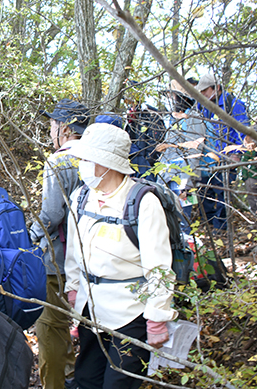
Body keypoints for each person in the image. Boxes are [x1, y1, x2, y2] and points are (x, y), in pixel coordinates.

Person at [64, 123, 178, 389]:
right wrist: (73, 289)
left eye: (86, 159)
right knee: (85, 380)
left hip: (130, 313)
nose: (81, 165)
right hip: (90, 311)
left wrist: (157, 317)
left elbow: (159, 266)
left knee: (118, 384)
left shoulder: (142, 202)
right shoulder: (81, 197)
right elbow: (73, 251)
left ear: (106, 163)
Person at [29, 99, 89, 389]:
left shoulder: (59, 160)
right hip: (94, 258)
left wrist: (30, 235)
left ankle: (56, 384)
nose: (50, 131)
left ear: (65, 128)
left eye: (53, 125)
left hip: (59, 258)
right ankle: (73, 377)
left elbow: (51, 215)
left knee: (51, 326)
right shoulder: (97, 156)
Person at [195, 72, 249, 230]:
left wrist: (236, 154)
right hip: (208, 157)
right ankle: (209, 226)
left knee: (223, 194)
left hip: (227, 157)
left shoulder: (234, 104)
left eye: (205, 90)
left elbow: (242, 130)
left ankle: (221, 229)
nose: (202, 94)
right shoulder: (202, 106)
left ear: (216, 88)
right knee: (205, 191)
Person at [157, 79, 207, 234]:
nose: (171, 100)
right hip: (169, 178)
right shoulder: (172, 120)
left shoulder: (193, 118)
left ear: (183, 98)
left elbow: (194, 153)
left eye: (173, 96)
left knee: (183, 221)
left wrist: (187, 184)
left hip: (183, 182)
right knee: (168, 222)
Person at [123, 80, 166, 181]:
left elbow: (155, 144)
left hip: (148, 170)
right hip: (132, 169)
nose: (128, 101)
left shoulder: (151, 115)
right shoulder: (128, 117)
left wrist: (145, 162)